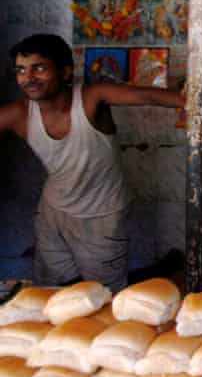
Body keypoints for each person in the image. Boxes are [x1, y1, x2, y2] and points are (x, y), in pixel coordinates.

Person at [0, 34, 184, 292]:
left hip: (103, 213)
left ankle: (166, 270)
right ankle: (164, 268)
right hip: (54, 212)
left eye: (39, 68)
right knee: (51, 289)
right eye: (21, 70)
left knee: (104, 294)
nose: (28, 78)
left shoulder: (90, 98)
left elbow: (149, 96)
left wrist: (193, 103)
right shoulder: (18, 114)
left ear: (65, 72)